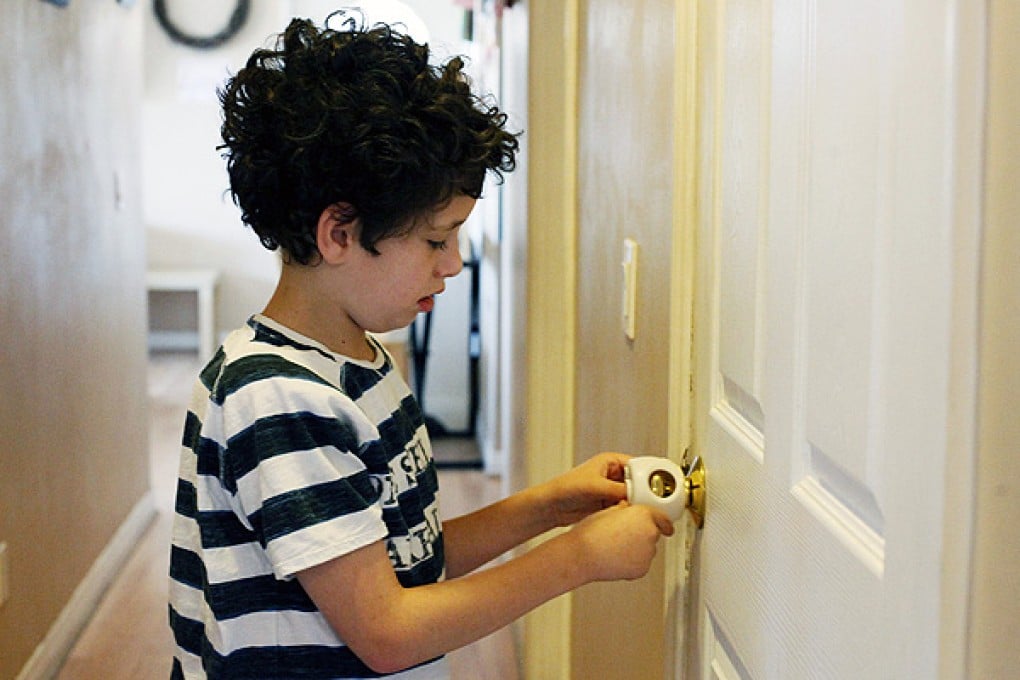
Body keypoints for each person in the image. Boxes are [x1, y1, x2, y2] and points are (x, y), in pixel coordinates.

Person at [168, 15, 674, 680]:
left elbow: (406, 557)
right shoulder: (279, 400)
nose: (455, 263)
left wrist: (548, 507)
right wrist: (577, 559)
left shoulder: (359, 363)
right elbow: (387, 632)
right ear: (339, 233)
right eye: (438, 240)